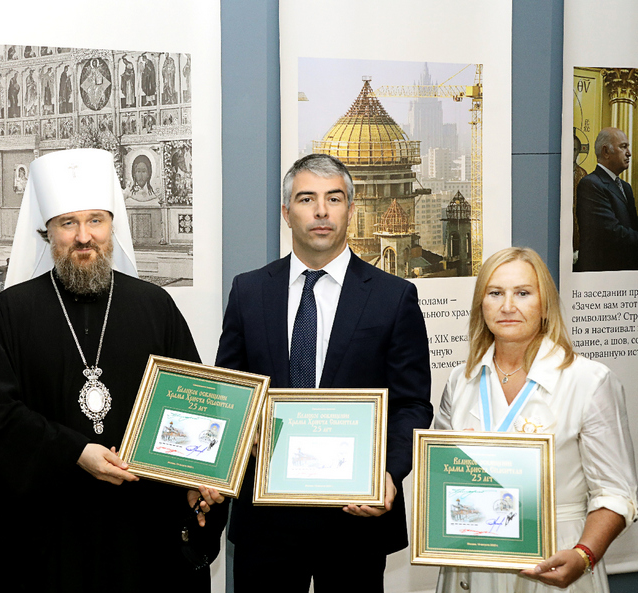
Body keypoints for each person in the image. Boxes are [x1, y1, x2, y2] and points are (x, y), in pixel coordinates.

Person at [0, 149, 225, 592]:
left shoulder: (154, 306)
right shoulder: (13, 311)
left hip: (142, 527)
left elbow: (193, 404)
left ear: (112, 226)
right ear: (47, 232)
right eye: (67, 223)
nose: (83, 236)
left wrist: (195, 477)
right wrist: (75, 451)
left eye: (95, 221)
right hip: (53, 530)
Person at [215, 153, 432, 592]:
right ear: (286, 213)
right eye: (306, 199)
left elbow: (412, 404)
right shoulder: (248, 291)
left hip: (355, 517)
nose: (320, 211)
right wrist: (242, 435)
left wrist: (389, 473)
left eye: (333, 199)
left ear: (350, 209)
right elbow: (229, 394)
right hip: (267, 519)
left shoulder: (393, 297)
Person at [436, 246, 638, 591]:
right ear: (481, 305)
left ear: (545, 306)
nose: (507, 306)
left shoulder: (589, 381)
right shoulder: (461, 380)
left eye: (523, 293)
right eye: (495, 293)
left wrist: (584, 554)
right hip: (471, 556)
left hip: (555, 558)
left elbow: (616, 493)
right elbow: (440, 476)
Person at [575, 126, 638, 271]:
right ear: (606, 152)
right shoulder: (590, 184)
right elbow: (610, 232)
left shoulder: (625, 187)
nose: (629, 153)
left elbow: (632, 225)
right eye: (623, 147)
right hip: (602, 272)